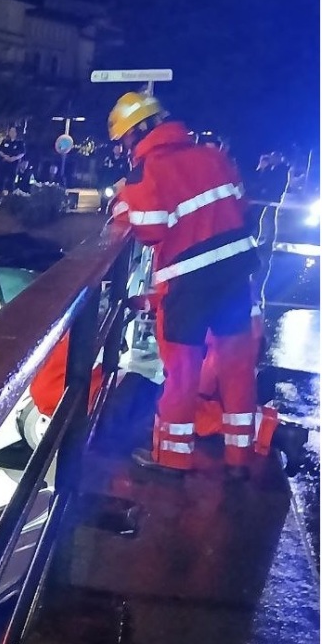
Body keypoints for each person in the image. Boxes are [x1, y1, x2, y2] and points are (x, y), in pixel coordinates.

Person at [108, 91, 258, 479]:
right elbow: (240, 207)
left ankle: (173, 458)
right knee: (237, 366)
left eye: (125, 139)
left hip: (188, 285)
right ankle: (239, 459)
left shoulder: (147, 173)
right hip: (235, 275)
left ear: (140, 131)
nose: (125, 147)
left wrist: (122, 200)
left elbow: (151, 229)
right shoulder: (213, 155)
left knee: (183, 372)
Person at [0, 126, 26, 201]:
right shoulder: (5, 141)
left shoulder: (20, 142)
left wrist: (14, 158)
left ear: (16, 133)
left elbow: (22, 153)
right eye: (10, 131)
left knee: (11, 181)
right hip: (3, 164)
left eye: (13, 131)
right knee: (0, 180)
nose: (12, 133)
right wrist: (5, 156)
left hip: (13, 165)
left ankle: (10, 198)